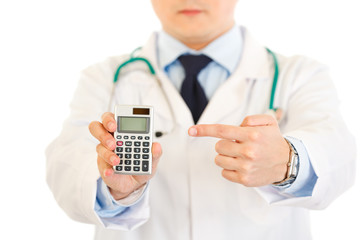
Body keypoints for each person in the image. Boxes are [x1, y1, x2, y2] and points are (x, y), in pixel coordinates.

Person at [46, 0, 356, 239]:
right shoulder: (104, 78)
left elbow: (338, 153)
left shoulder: (299, 75)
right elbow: (66, 166)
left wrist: (287, 161)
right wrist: (114, 189)